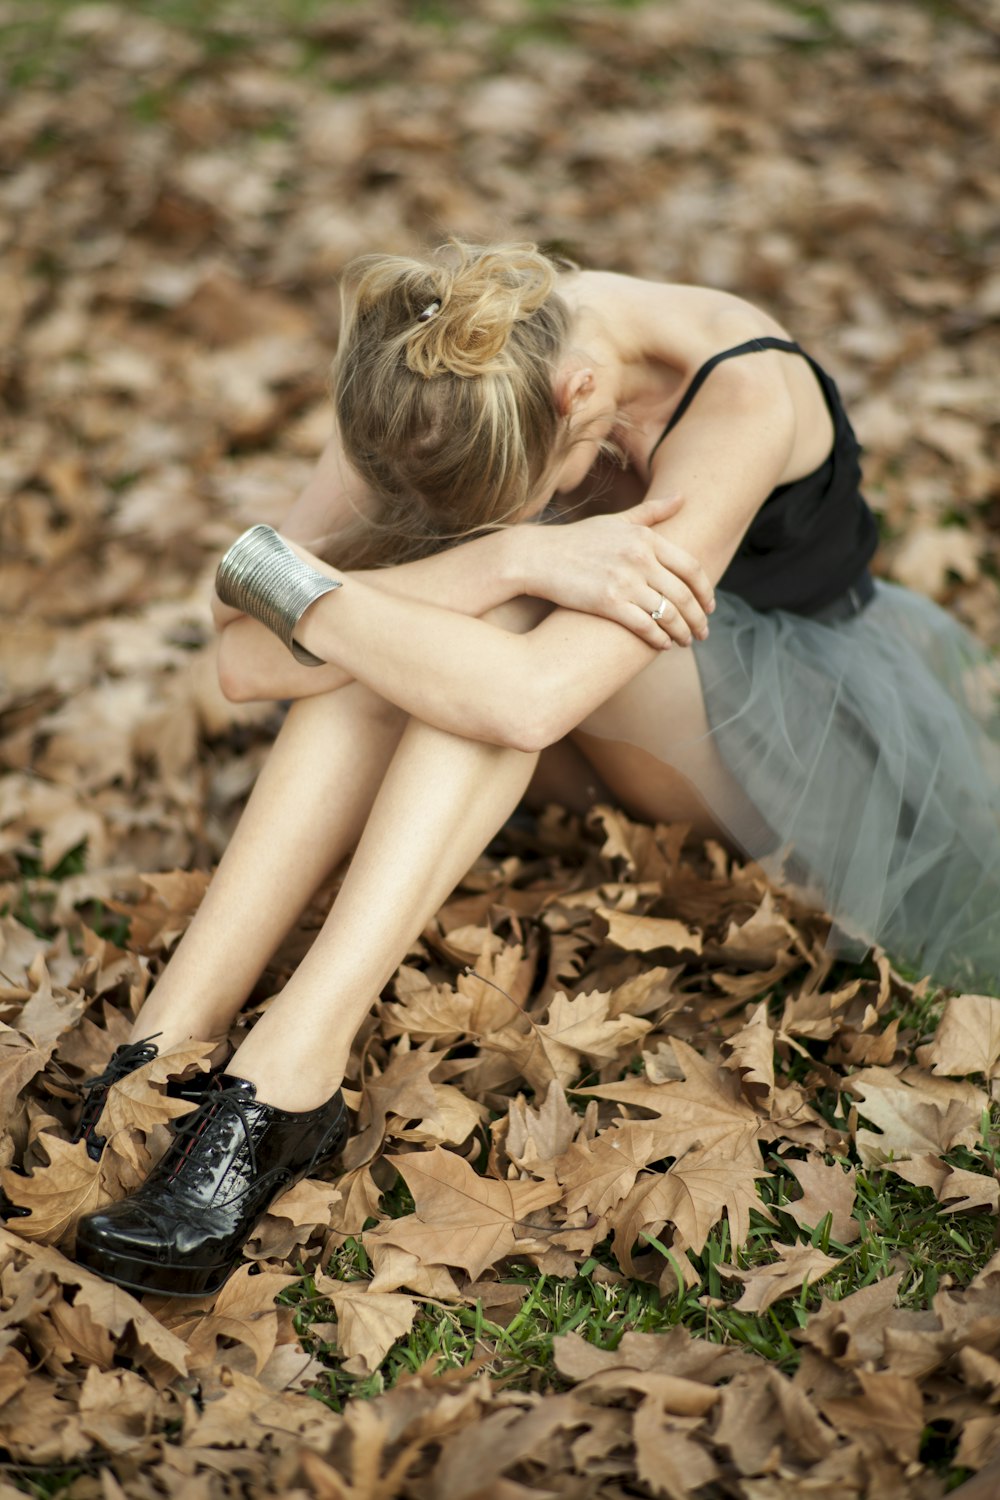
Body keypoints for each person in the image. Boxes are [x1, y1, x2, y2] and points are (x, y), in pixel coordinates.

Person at [65, 240, 999, 1298]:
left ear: (583, 395)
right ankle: (167, 1040)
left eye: (515, 504)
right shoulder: (433, 363)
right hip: (561, 717)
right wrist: (512, 552)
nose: (501, 524)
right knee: (388, 643)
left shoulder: (736, 396)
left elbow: (524, 697)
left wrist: (455, 586)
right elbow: (238, 655)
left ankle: (287, 1073)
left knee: (430, 635)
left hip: (785, 751)